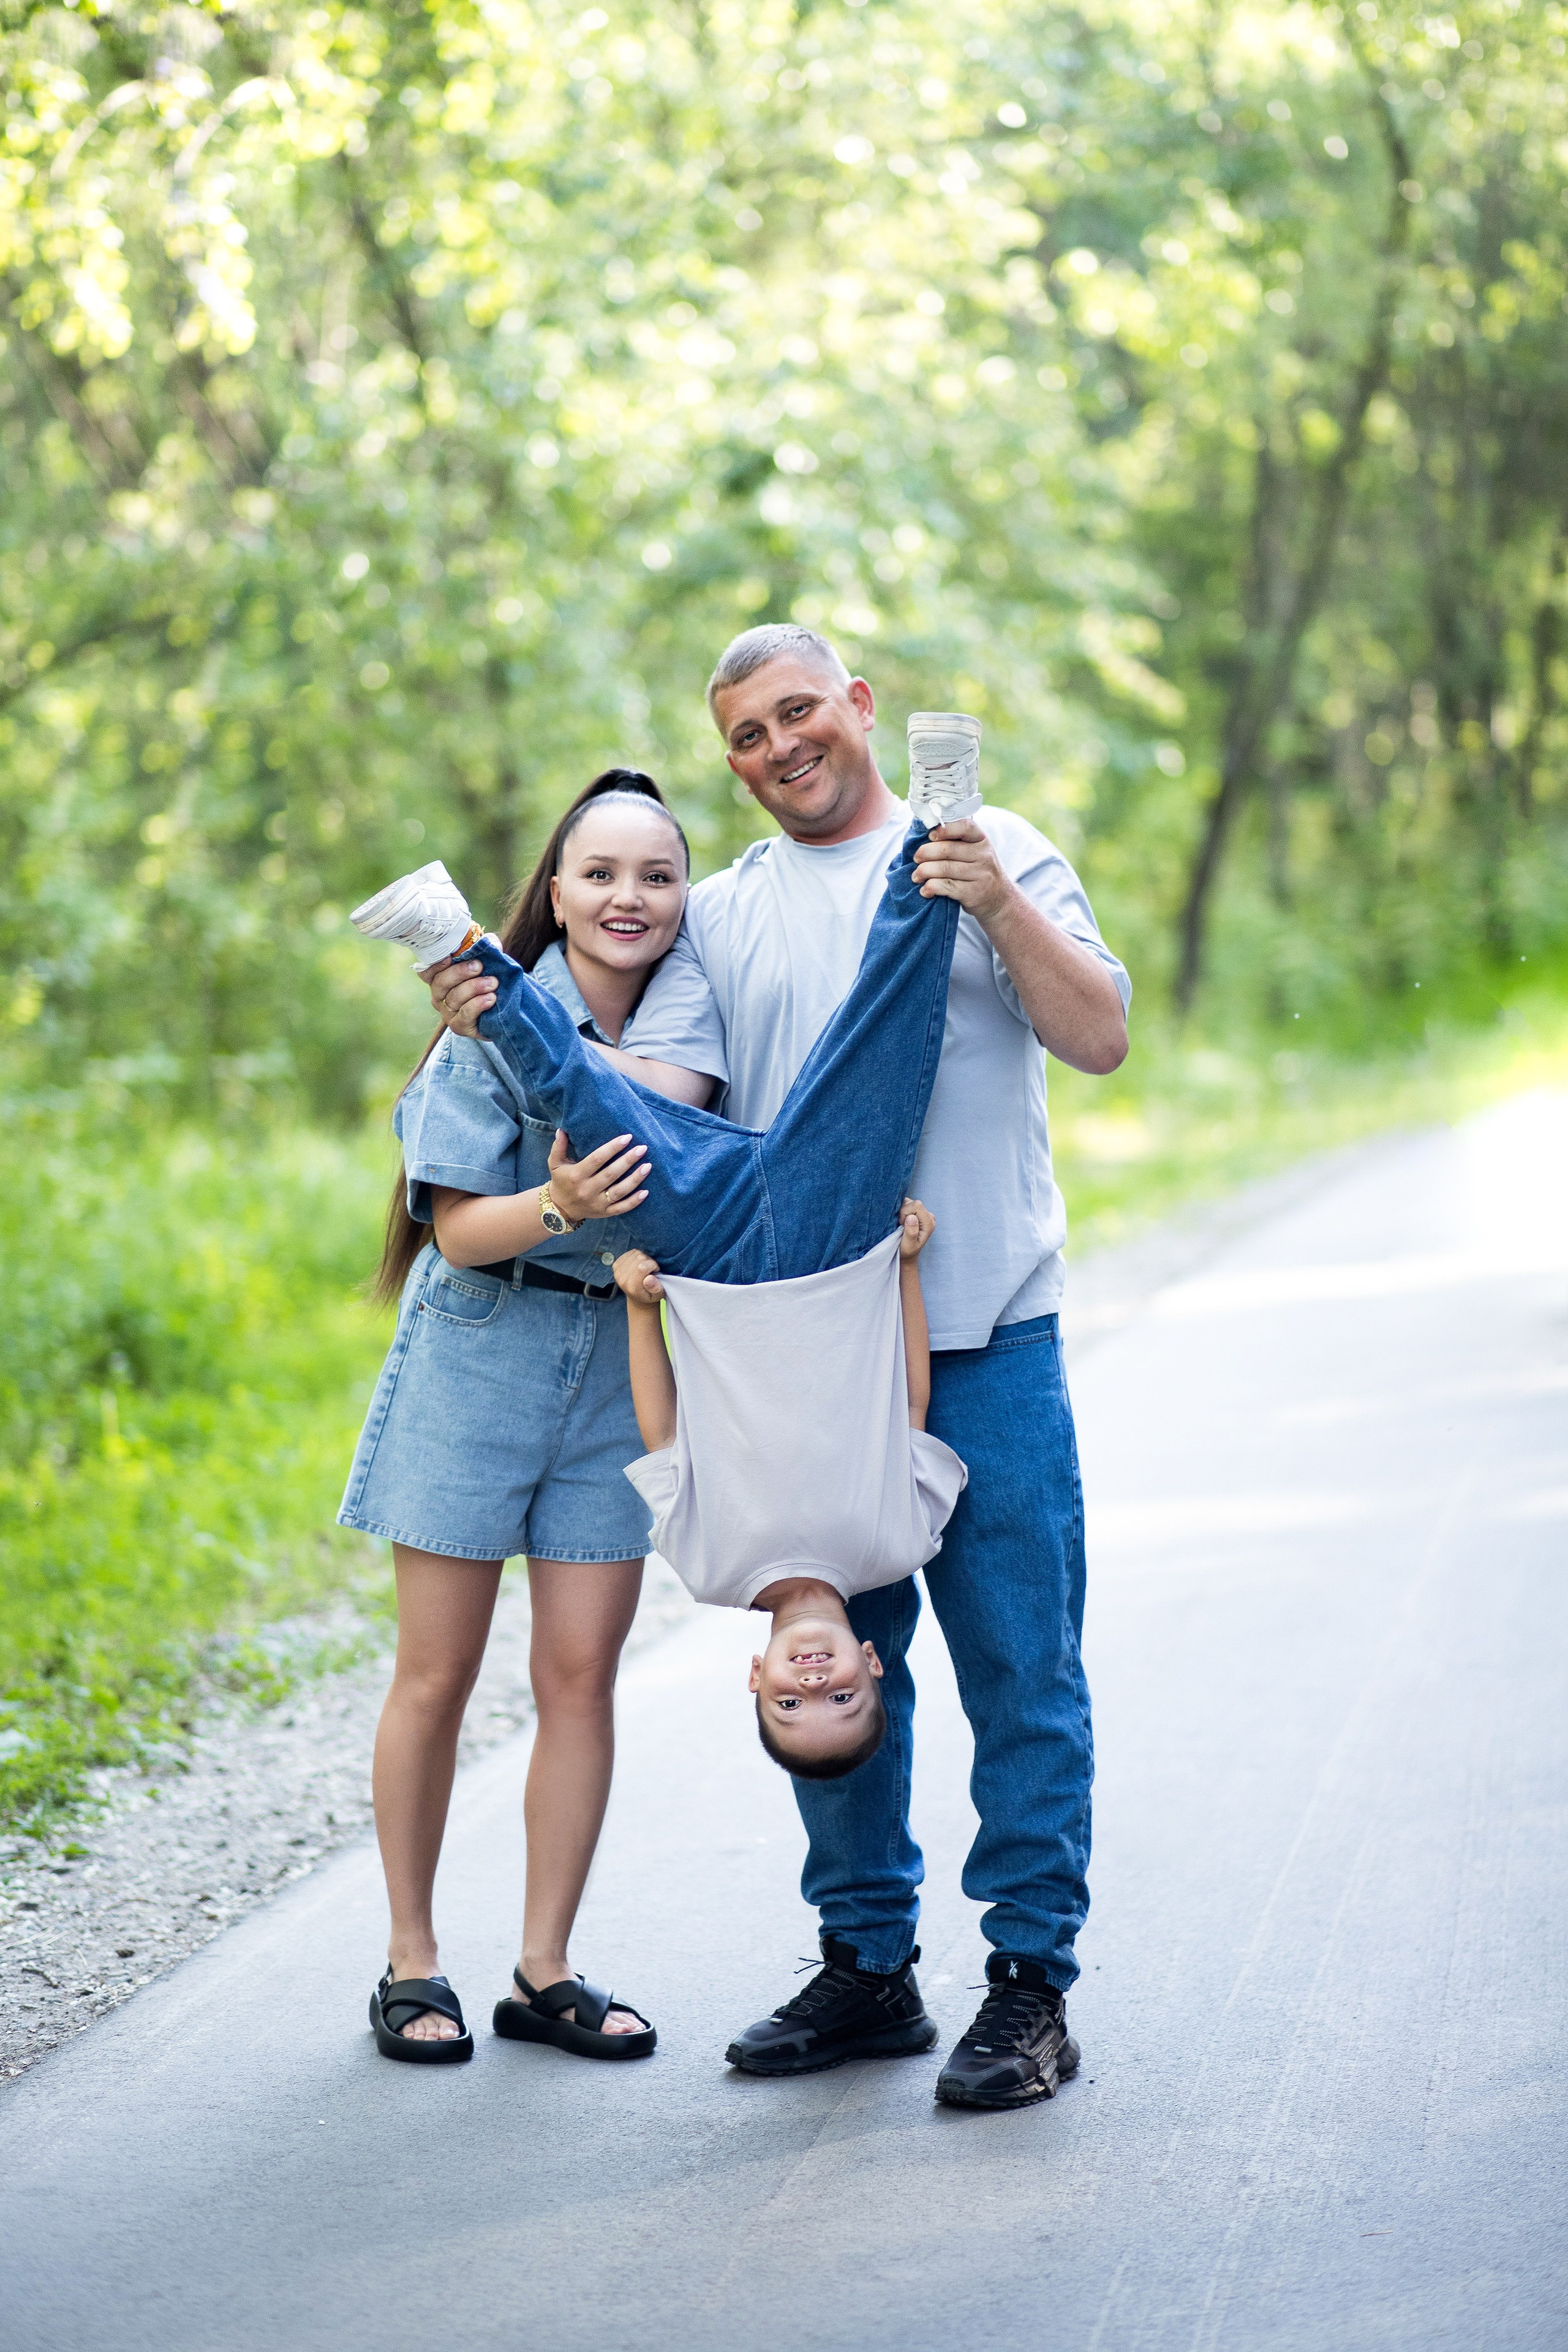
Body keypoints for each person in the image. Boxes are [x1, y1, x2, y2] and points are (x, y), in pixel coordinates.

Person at [433, 634, 1131, 2112]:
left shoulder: (985, 846)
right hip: (801, 1364)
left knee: (1021, 1672)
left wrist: (992, 903)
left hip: (984, 1334)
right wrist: (504, 1045)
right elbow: (663, 1106)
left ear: (858, 708)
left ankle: (1027, 1986)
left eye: (798, 711)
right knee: (829, 1673)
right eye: (745, 735)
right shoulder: (727, 914)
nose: (778, 746)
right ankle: (868, 1963)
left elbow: (1099, 1036)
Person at [372, 810, 973, 1785]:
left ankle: (451, 942)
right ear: (875, 1665)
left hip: (707, 1254)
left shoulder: (712, 1566)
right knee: (885, 1038)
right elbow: (910, 1401)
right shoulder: (901, 1541)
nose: (812, 1680)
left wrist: (644, 1309)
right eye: (839, 1696)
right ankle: (941, 824)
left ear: (756, 1676)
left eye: (790, 1701)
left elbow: (660, 1430)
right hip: (839, 1240)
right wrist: (902, 1268)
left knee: (591, 1111)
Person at [341, 771, 720, 2067]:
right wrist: (560, 1203)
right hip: (482, 1346)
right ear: (554, 893)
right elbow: (453, 1228)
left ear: (682, 898)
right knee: (436, 1674)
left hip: (617, 1358)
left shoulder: (692, 1010)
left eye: (656, 876)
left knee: (578, 1676)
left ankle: (543, 1969)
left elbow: (695, 1132)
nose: (628, 897)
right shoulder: (484, 1023)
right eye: (599, 873)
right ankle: (410, 1961)